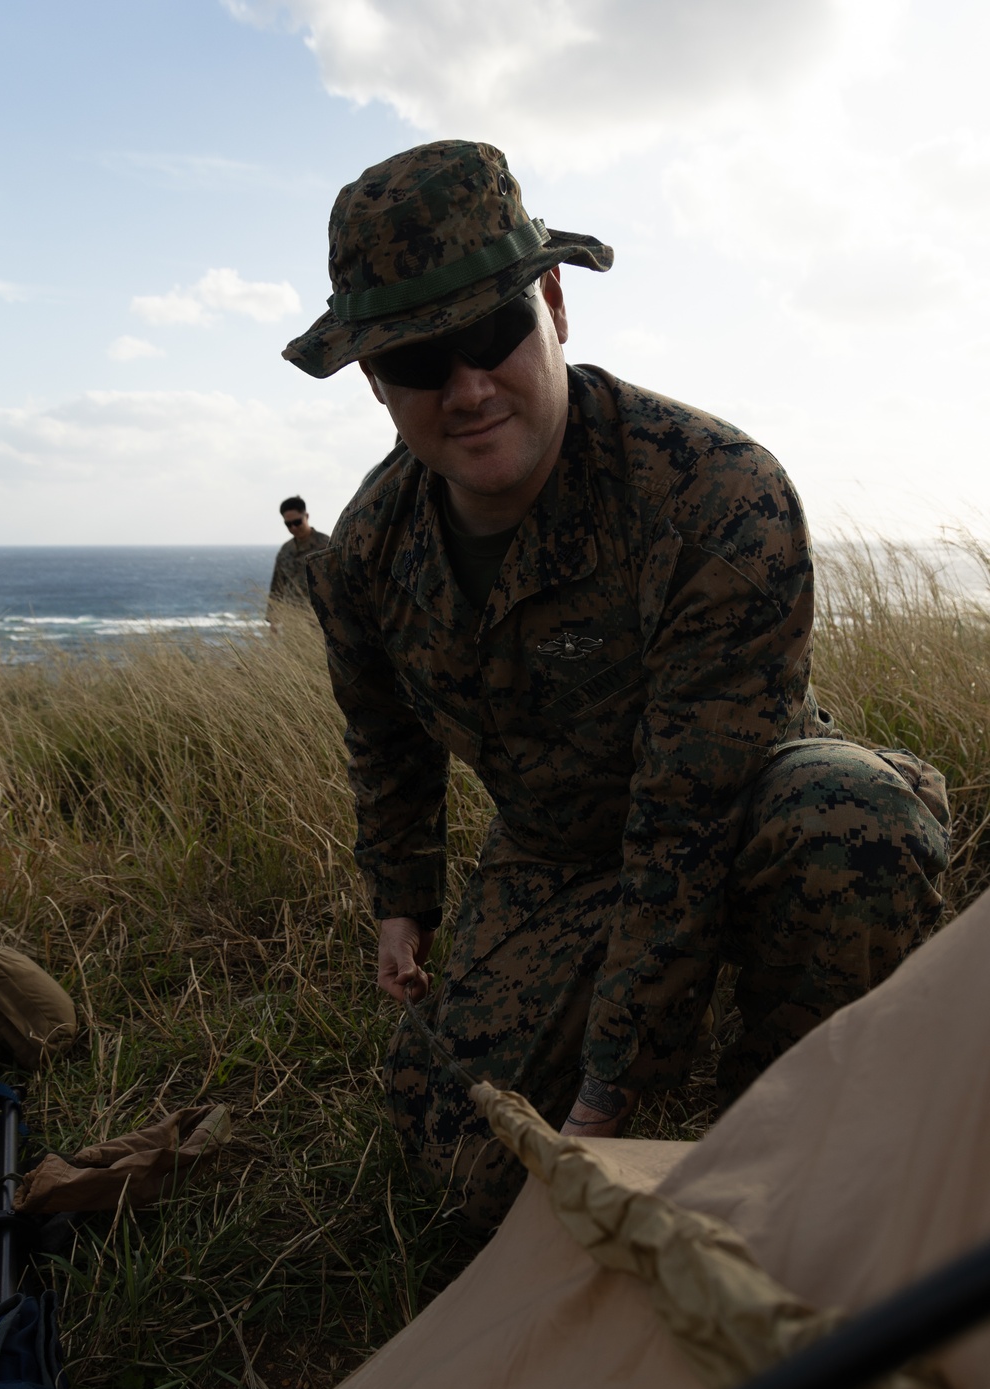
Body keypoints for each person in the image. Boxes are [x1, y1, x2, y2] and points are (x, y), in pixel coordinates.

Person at [281, 139, 951, 1230]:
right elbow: (383, 732)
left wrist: (608, 1094)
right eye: (419, 357)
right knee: (465, 1181)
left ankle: (783, 1137)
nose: (466, 386)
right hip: (554, 854)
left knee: (851, 828)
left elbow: (684, 825)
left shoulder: (712, 494)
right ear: (373, 380)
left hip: (742, 811)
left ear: (552, 304)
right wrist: (401, 898)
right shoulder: (367, 551)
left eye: (494, 334)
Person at [267, 497, 330, 621]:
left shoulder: (326, 545)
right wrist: (273, 620)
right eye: (288, 524)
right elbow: (277, 587)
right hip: (292, 620)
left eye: (297, 522)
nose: (293, 528)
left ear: (306, 516)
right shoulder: (285, 550)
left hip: (322, 619)